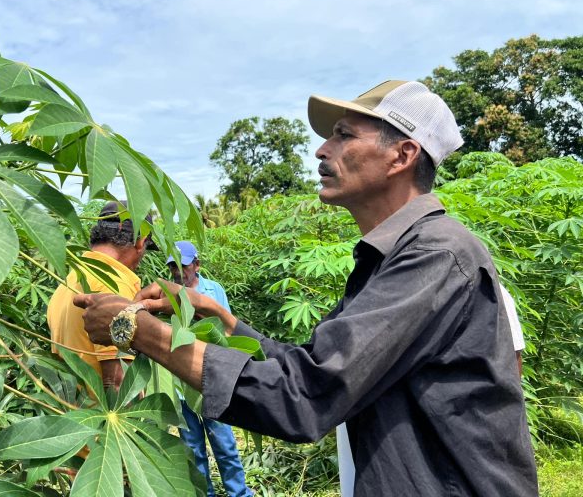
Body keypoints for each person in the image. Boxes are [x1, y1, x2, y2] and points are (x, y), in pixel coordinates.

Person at [75, 80, 539, 495]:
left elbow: (304, 397)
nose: (322, 149)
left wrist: (133, 329)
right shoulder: (395, 255)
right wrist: (221, 318)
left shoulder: (435, 254)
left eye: (343, 135)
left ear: (402, 155)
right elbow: (317, 367)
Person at [336, 282, 527, 496]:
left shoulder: (482, 286)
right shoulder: (365, 290)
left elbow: (509, 371)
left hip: (444, 452)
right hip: (375, 449)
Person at [167, 241, 253, 497]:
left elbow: (226, 329)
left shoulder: (213, 291)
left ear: (196, 264)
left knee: (225, 445)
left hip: (213, 378)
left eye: (182, 266)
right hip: (182, 382)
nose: (177, 272)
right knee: (193, 450)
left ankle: (239, 494)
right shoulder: (166, 293)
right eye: (173, 266)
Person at [46, 200, 154, 390]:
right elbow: (119, 382)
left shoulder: (69, 280)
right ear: (140, 241)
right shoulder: (115, 283)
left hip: (75, 412)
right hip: (102, 416)